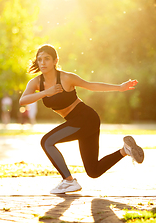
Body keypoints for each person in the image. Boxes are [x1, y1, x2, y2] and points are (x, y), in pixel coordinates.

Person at [19, 44, 144, 194]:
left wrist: (119, 87)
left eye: (47, 59)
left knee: (46, 141)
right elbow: (23, 100)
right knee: (93, 171)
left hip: (85, 118)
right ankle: (125, 150)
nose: (43, 62)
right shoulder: (36, 83)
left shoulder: (66, 78)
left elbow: (92, 86)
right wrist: (46, 92)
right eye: (39, 59)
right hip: (79, 122)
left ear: (55, 61)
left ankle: (68, 181)